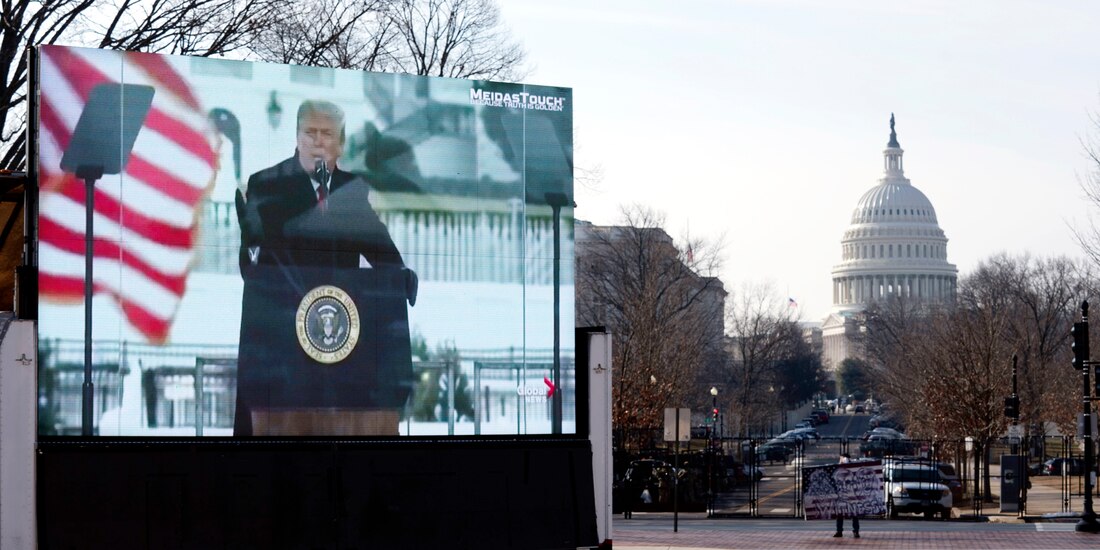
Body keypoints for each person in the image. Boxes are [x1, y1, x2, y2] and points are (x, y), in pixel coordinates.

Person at [834, 452, 860, 538]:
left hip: (851, 495)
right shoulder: (838, 469)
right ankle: (839, 531)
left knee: (854, 513)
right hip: (841, 495)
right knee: (840, 514)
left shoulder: (852, 469)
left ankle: (855, 531)